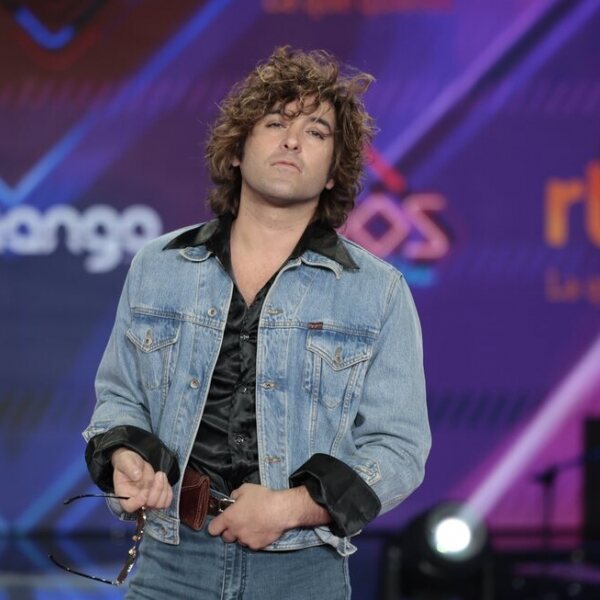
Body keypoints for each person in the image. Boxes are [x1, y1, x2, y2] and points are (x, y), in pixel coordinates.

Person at [83, 46, 431, 599]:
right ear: (238, 150)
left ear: (333, 172)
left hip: (302, 572)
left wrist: (291, 508)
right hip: (171, 563)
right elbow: (120, 399)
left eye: (316, 132)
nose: (292, 141)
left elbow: (398, 448)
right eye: (275, 123)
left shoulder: (376, 290)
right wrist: (127, 457)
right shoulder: (160, 266)